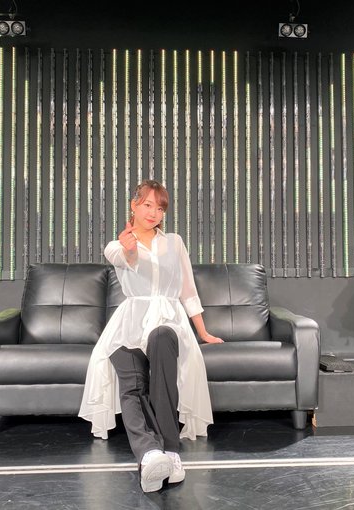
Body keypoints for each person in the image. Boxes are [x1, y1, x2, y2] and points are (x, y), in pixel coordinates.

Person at [79, 179, 223, 493]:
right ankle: (149, 456)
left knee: (162, 353)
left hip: (168, 320)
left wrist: (203, 331)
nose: (153, 212)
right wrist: (129, 249)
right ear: (133, 205)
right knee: (131, 383)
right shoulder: (116, 245)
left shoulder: (174, 242)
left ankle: (170, 452)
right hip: (129, 323)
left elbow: (187, 290)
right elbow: (126, 260)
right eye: (147, 205)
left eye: (159, 208)